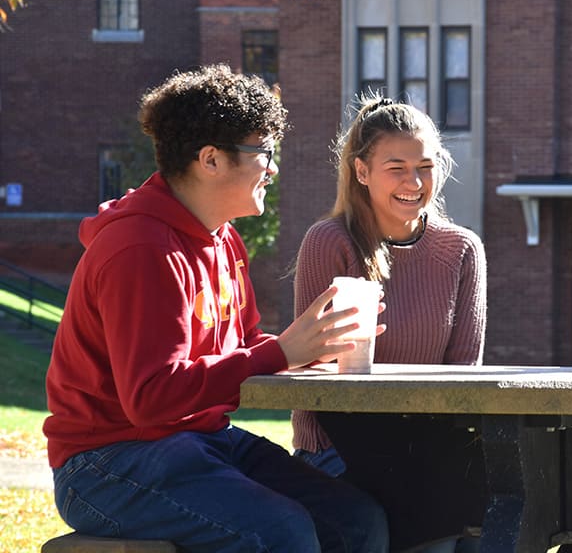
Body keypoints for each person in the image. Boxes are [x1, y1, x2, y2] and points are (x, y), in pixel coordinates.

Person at [43, 64, 388, 553]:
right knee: (281, 532)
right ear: (211, 159)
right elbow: (151, 397)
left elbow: (244, 349)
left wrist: (314, 347)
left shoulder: (222, 239)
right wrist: (281, 354)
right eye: (263, 153)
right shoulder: (140, 248)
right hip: (106, 463)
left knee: (357, 520)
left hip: (200, 441)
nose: (273, 167)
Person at [289, 95, 487, 552]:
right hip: (336, 450)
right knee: (432, 521)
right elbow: (315, 378)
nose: (414, 182)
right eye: (396, 167)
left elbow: (463, 377)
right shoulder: (330, 241)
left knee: (494, 516)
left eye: (426, 166)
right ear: (362, 172)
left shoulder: (461, 249)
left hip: (430, 444)